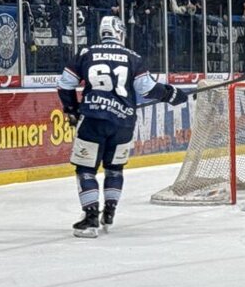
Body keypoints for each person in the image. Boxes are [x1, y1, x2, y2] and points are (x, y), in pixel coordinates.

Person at [57, 16, 188, 238]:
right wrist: (172, 94)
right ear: (120, 32)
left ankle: (90, 219)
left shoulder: (85, 53)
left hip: (93, 119)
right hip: (124, 123)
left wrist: (71, 109)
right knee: (114, 168)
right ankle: (109, 212)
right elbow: (147, 89)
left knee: (86, 169)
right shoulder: (133, 57)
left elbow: (65, 84)